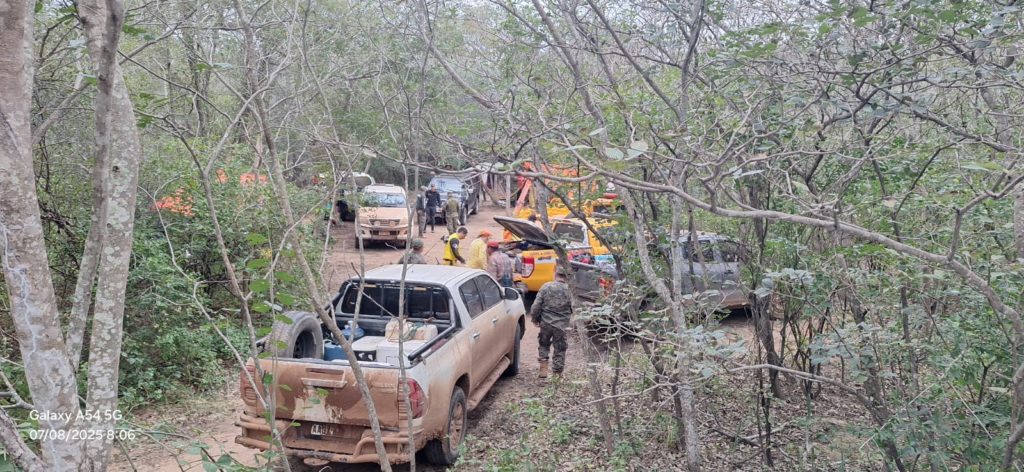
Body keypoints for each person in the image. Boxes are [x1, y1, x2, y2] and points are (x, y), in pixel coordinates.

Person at [530, 267, 573, 378]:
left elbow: (536, 306)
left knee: (543, 344)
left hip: (546, 323)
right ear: (566, 276)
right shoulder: (570, 290)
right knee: (560, 348)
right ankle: (557, 374)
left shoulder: (546, 287)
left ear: (555, 274)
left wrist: (535, 319)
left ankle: (543, 370)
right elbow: (574, 307)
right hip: (561, 326)